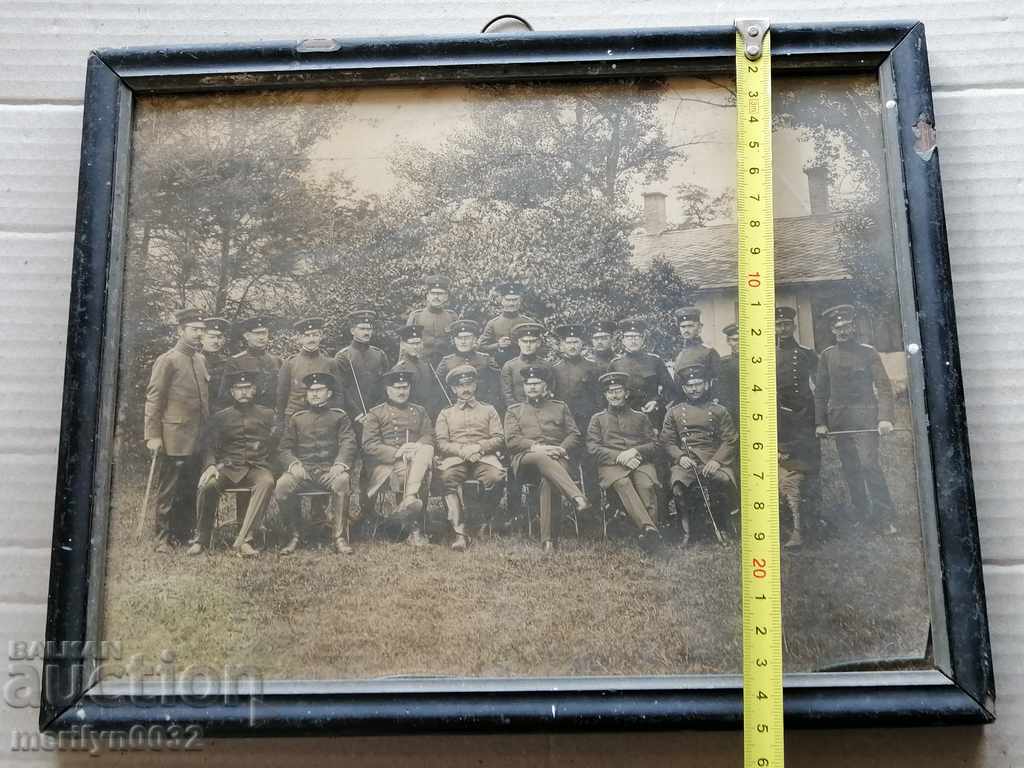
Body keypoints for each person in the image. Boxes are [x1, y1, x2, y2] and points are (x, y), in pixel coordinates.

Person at [814, 304, 897, 534]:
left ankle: (885, 516)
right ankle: (862, 514)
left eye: (847, 326)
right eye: (838, 327)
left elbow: (883, 386)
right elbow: (820, 392)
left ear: (854, 327)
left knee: (869, 465)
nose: (843, 331)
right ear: (832, 330)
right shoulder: (827, 356)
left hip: (865, 420)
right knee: (851, 469)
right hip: (840, 421)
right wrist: (820, 422)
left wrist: (885, 418)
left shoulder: (868, 352)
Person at [189, 370, 276, 557]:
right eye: (239, 388)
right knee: (208, 485)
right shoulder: (221, 417)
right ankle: (201, 538)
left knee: (267, 482)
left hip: (257, 466)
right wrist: (211, 465)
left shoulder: (268, 414)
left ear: (254, 390)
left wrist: (270, 465)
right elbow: (209, 445)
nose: (243, 392)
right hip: (228, 466)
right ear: (232, 392)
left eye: (247, 388)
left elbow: (277, 444)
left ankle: (245, 540)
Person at [144, 308, 210, 551]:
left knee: (191, 485)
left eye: (202, 330)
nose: (199, 335)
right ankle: (162, 538)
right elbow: (154, 398)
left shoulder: (200, 359)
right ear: (180, 331)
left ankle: (183, 533)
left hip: (197, 436)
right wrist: (152, 435)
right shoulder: (168, 360)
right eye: (194, 330)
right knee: (169, 489)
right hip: (174, 436)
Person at [504, 364, 589, 552]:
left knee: (547, 481)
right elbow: (512, 440)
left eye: (537, 383)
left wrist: (560, 448)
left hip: (558, 459)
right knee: (542, 457)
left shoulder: (560, 407)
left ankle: (548, 541)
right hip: (526, 460)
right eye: (528, 384)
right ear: (524, 387)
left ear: (546, 386)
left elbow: (574, 434)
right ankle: (576, 496)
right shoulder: (514, 410)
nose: (532, 387)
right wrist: (539, 448)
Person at [275, 372, 358, 555]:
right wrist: (294, 465)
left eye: (319, 390)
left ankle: (339, 537)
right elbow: (284, 448)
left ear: (328, 393)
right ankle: (294, 536)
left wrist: (340, 464)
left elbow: (348, 442)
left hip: (329, 471)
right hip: (303, 471)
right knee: (282, 486)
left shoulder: (339, 416)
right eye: (311, 391)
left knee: (342, 481)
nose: (314, 394)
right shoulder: (297, 418)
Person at [660, 363, 738, 546]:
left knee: (722, 481)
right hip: (688, 460)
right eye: (689, 385)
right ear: (683, 387)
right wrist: (680, 457)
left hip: (713, 458)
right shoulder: (674, 412)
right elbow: (667, 441)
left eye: (698, 383)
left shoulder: (719, 410)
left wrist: (718, 461)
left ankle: (723, 526)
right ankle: (688, 533)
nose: (694, 389)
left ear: (706, 384)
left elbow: (731, 439)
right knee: (678, 485)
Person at [586, 372, 662, 552]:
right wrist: (620, 456)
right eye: (610, 391)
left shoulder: (640, 417)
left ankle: (648, 536)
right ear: (605, 395)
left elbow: (654, 444)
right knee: (622, 482)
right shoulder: (597, 419)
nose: (614, 395)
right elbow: (592, 448)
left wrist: (635, 451)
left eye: (618, 390)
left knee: (646, 484)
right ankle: (649, 529)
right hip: (611, 466)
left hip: (639, 462)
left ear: (626, 393)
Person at [435, 365, 506, 551]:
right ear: (453, 389)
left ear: (475, 385)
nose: (465, 389)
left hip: (484, 457)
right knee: (446, 478)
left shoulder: (489, 410)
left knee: (496, 477)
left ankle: (483, 521)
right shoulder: (445, 413)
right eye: (460, 386)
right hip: (456, 459)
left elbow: (499, 437)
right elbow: (441, 443)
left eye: (469, 384)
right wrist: (461, 450)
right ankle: (460, 532)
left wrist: (479, 447)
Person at [361, 370, 436, 546]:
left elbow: (429, 436)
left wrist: (416, 447)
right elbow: (369, 444)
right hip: (388, 464)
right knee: (410, 472)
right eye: (397, 388)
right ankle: (414, 528)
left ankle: (408, 505)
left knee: (425, 451)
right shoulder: (376, 413)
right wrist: (398, 451)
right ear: (388, 390)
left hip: (417, 458)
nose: (402, 392)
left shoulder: (419, 411)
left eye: (405, 387)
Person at [775, 306, 820, 547]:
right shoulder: (767, 354)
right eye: (778, 325)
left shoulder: (806, 354)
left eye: (786, 325)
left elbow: (820, 387)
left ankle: (813, 522)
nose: (782, 329)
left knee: (810, 471)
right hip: (780, 419)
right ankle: (788, 525)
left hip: (805, 417)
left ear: (793, 326)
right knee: (784, 471)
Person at [275, 317, 343, 433]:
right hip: (294, 418)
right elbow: (281, 396)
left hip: (323, 418)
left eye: (315, 335)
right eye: (307, 335)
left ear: (320, 336)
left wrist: (332, 414)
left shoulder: (330, 363)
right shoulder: (290, 364)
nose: (311, 339)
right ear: (300, 339)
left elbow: (339, 394)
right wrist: (280, 422)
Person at [608, 318, 680, 428]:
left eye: (637, 337)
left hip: (653, 416)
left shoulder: (655, 361)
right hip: (625, 417)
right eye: (629, 337)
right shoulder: (615, 364)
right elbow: (609, 393)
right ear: (622, 340)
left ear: (643, 339)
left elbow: (670, 389)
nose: (633, 341)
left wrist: (657, 402)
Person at [435, 319, 502, 413]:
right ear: (454, 340)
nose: (463, 342)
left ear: (474, 339)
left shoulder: (485, 360)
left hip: (483, 409)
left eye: (467, 337)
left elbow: (496, 387)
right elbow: (438, 389)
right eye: (459, 338)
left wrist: (489, 405)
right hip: (455, 410)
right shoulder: (446, 362)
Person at [334, 308, 389, 423]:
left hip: (378, 415)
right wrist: (356, 413)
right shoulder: (343, 356)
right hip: (354, 417)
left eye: (369, 329)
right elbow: (341, 389)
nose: (366, 332)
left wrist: (378, 411)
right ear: (353, 331)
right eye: (362, 328)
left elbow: (385, 385)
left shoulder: (379, 354)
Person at [551, 323, 603, 436]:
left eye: (575, 342)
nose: (572, 346)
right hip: (563, 421)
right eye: (568, 343)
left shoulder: (593, 367)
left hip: (587, 420)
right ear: (562, 345)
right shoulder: (555, 369)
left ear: (582, 344)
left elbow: (599, 397)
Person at [222, 315, 282, 409]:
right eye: (257, 333)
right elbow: (226, 394)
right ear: (246, 336)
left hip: (271, 414)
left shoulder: (276, 361)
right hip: (245, 413)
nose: (261, 337)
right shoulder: (235, 361)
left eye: (264, 333)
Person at [391, 324, 450, 419]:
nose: (415, 347)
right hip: (409, 415)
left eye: (417, 343)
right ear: (403, 345)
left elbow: (433, 390)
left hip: (429, 413)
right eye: (411, 343)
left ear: (422, 344)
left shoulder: (426, 365)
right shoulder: (399, 369)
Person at [406, 274, 459, 366]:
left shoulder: (452, 316)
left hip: (446, 366)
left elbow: (457, 344)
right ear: (427, 296)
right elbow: (405, 344)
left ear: (446, 297)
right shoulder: (416, 316)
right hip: (421, 365)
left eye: (440, 294)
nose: (436, 297)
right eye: (433, 293)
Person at [479, 281, 535, 367]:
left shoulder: (529, 322)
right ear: (502, 301)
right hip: (501, 366)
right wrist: (498, 345)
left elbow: (540, 346)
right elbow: (482, 346)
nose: (511, 303)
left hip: (526, 365)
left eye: (515, 299)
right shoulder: (493, 323)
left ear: (520, 301)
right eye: (508, 300)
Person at [672, 306, 721, 387]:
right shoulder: (679, 352)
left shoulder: (708, 352)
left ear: (699, 327)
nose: (686, 330)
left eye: (690, 326)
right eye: (683, 327)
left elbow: (717, 381)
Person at [500, 321, 546, 406]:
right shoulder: (509, 366)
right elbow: (507, 396)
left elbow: (550, 392)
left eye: (532, 341)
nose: (528, 345)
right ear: (518, 342)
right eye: (524, 341)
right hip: (518, 413)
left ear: (538, 343)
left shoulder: (546, 366)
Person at [200, 316, 231, 409]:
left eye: (219, 337)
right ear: (202, 338)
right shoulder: (193, 360)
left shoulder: (229, 363)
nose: (216, 341)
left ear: (224, 340)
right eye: (211, 337)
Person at [716, 322, 740, 428]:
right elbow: (721, 392)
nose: (740, 343)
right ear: (728, 341)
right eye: (735, 340)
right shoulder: (723, 364)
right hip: (732, 414)